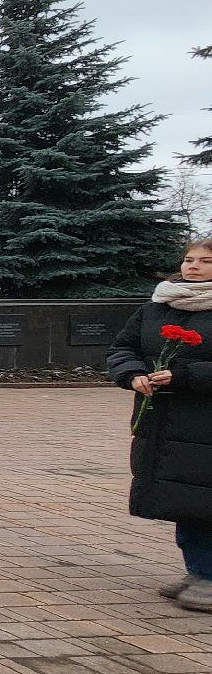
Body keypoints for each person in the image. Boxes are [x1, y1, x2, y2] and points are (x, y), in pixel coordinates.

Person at [107, 237, 212, 613]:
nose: (193, 266)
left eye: (205, 260)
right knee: (185, 499)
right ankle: (199, 570)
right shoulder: (156, 307)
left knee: (205, 499)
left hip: (204, 425)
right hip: (164, 424)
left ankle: (208, 576)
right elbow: (123, 348)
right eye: (188, 259)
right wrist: (132, 374)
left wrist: (185, 376)